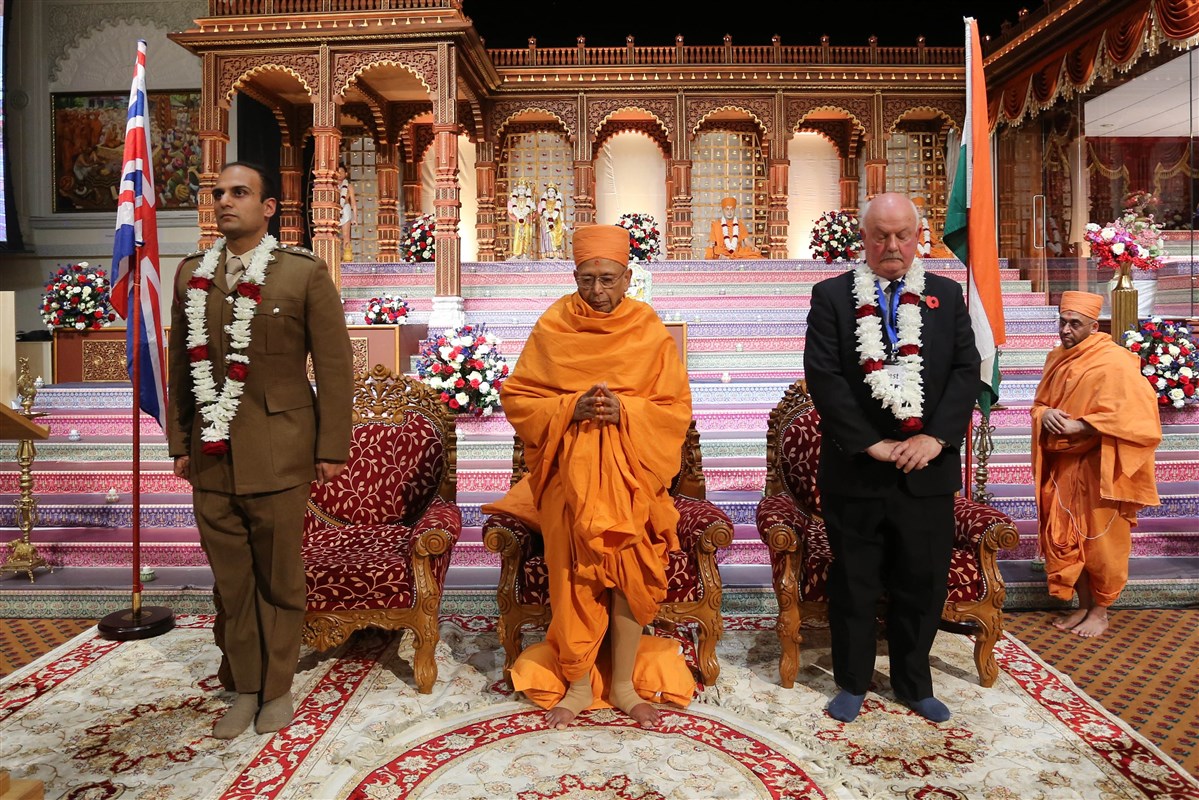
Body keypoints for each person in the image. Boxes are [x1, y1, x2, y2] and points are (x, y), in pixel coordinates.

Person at [482, 224, 696, 730]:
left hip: (633, 477)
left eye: (607, 279)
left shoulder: (647, 328)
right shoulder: (554, 324)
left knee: (628, 567)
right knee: (573, 571)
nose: (597, 291)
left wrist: (625, 410)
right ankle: (578, 685)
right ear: (573, 276)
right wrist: (569, 408)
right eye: (586, 279)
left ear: (627, 277)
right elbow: (519, 397)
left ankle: (622, 684)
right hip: (566, 479)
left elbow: (674, 408)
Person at [167, 162, 353, 739]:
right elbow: (180, 366)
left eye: (239, 193)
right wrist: (179, 441)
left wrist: (330, 446)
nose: (225, 202)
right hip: (212, 455)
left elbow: (334, 362)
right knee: (231, 580)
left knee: (278, 577)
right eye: (217, 193)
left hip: (280, 449)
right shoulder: (190, 275)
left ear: (268, 207)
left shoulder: (300, 273)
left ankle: (275, 689)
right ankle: (245, 685)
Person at [803, 192, 980, 724]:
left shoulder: (946, 297)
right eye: (880, 235)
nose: (892, 245)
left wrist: (937, 439)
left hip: (927, 471)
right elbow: (825, 376)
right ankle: (853, 682)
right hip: (857, 471)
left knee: (921, 582)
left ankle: (913, 682)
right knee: (855, 581)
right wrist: (870, 443)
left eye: (903, 234)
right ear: (864, 239)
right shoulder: (832, 296)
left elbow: (966, 373)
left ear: (919, 236)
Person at [1031, 291, 1160, 638]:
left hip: (1102, 465)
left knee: (1101, 542)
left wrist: (1084, 425)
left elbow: (1139, 415)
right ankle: (1084, 605)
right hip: (1064, 463)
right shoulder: (1056, 357)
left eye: (1075, 323)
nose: (1065, 329)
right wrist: (1048, 415)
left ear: (1093, 325)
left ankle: (1101, 611)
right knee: (1068, 535)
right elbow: (1039, 404)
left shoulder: (1114, 361)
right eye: (1062, 321)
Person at [538, 182, 569, 259]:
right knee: (547, 237)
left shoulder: (557, 202)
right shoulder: (544, 202)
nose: (550, 193)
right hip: (546, 221)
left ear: (555, 193)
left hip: (556, 221)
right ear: (546, 193)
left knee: (556, 237)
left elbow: (560, 212)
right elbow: (541, 212)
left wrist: (562, 223)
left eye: (552, 191)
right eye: (549, 191)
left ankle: (556, 255)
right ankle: (548, 254)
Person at [507, 179, 537, 259]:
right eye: (519, 188)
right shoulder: (514, 200)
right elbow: (511, 211)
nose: (521, 190)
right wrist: (517, 215)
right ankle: (516, 254)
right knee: (518, 237)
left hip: (526, 221)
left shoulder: (529, 200)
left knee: (526, 237)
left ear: (526, 190)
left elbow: (534, 212)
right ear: (516, 190)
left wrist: (532, 208)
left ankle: (524, 254)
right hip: (518, 222)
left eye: (523, 188)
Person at [336, 164, 357, 261]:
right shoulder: (331, 184)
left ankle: (347, 259)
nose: (340, 174)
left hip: (345, 209)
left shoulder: (349, 186)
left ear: (346, 174)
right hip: (334, 210)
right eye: (338, 172)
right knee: (333, 236)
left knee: (346, 236)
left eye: (342, 172)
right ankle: (335, 258)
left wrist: (355, 218)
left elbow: (353, 204)